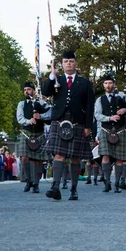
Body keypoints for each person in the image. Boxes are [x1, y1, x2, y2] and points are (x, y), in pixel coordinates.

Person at [42, 50, 95, 201]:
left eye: (71, 61)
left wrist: (88, 126)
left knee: (75, 158)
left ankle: (74, 189)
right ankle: (55, 187)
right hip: (59, 120)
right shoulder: (57, 80)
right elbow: (46, 92)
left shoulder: (84, 83)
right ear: (62, 64)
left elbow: (89, 106)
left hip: (77, 121)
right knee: (58, 154)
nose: (69, 64)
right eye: (66, 61)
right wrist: (52, 75)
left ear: (75, 64)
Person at [94, 74, 126, 193]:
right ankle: (107, 182)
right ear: (103, 85)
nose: (108, 85)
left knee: (119, 158)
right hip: (106, 130)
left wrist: (125, 110)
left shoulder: (122, 96)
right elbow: (97, 115)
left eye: (110, 83)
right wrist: (109, 118)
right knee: (105, 156)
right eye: (106, 83)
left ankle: (117, 183)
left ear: (114, 84)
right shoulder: (99, 100)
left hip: (120, 130)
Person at [16, 82, 53, 192]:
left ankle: (36, 184)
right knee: (24, 158)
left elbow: (51, 113)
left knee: (38, 160)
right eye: (25, 89)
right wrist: (29, 121)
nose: (26, 91)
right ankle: (28, 181)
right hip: (26, 133)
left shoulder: (41, 103)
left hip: (39, 133)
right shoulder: (21, 104)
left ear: (33, 91)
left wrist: (40, 116)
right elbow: (20, 118)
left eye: (29, 89)